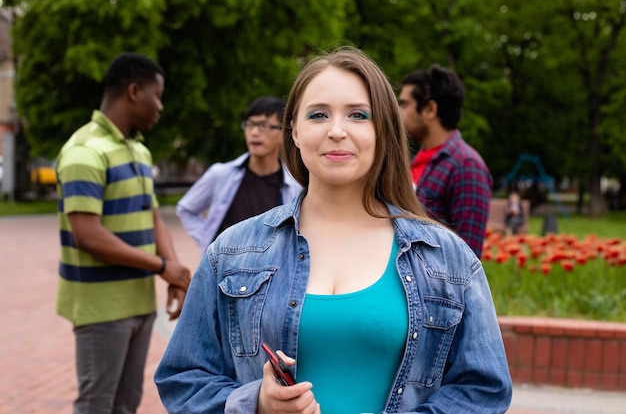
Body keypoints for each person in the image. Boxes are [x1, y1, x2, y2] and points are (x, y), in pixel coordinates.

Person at [154, 46, 512, 414]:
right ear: (293, 131)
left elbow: (483, 388)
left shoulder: (447, 257)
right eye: (318, 115)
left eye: (358, 115)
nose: (337, 131)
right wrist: (256, 402)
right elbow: (183, 378)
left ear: (383, 130)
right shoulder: (232, 251)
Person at [55, 52, 191, 414]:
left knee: (126, 404)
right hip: (101, 307)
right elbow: (88, 235)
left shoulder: (138, 151)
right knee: (97, 405)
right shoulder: (85, 152)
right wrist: (162, 266)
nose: (160, 106)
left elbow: (152, 217)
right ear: (134, 92)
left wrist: (174, 272)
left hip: (138, 301)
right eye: (156, 95)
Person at [176, 96, 302, 253]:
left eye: (263, 125)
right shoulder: (221, 174)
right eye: (250, 125)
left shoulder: (296, 184)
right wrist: (210, 242)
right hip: (225, 272)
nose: (254, 132)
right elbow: (186, 209)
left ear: (283, 133)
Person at [398, 64, 492, 257]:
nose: (398, 113)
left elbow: (468, 257)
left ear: (430, 109)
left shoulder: (466, 166)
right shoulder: (414, 162)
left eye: (405, 104)